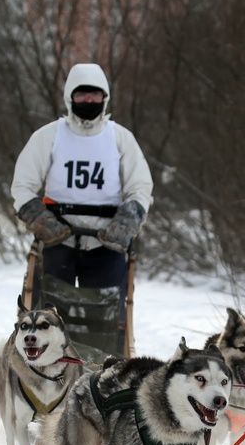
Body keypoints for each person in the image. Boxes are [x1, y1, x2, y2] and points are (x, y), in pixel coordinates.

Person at [11, 63, 153, 295]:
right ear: (70, 97)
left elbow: (140, 187)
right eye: (82, 93)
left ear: (104, 97)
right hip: (56, 241)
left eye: (95, 94)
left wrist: (127, 222)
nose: (89, 100)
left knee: (105, 320)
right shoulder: (49, 136)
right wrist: (41, 222)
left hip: (106, 243)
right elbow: (22, 185)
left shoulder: (120, 138)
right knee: (47, 314)